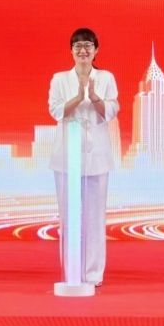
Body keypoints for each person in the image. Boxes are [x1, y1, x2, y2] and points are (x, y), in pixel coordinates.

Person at [47, 27, 120, 286]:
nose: (83, 50)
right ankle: (72, 271)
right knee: (69, 216)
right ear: (71, 50)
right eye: (77, 46)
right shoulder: (59, 79)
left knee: (94, 217)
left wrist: (95, 97)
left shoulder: (106, 77)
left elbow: (110, 111)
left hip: (97, 156)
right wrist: (78, 97)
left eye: (88, 45)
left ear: (96, 50)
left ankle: (93, 273)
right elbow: (56, 111)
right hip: (67, 156)